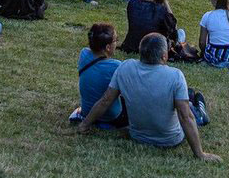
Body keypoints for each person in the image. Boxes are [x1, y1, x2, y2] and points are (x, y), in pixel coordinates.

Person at [75, 33, 217, 161]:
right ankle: (200, 114)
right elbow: (185, 117)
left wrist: (84, 124)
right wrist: (200, 154)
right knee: (191, 102)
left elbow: (106, 100)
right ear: (164, 56)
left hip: (137, 136)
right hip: (170, 139)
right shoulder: (175, 75)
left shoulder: (125, 67)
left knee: (189, 94)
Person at [76, 22, 124, 127]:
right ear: (107, 47)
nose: (116, 43)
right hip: (109, 117)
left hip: (86, 111)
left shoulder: (83, 53)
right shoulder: (116, 66)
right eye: (116, 40)